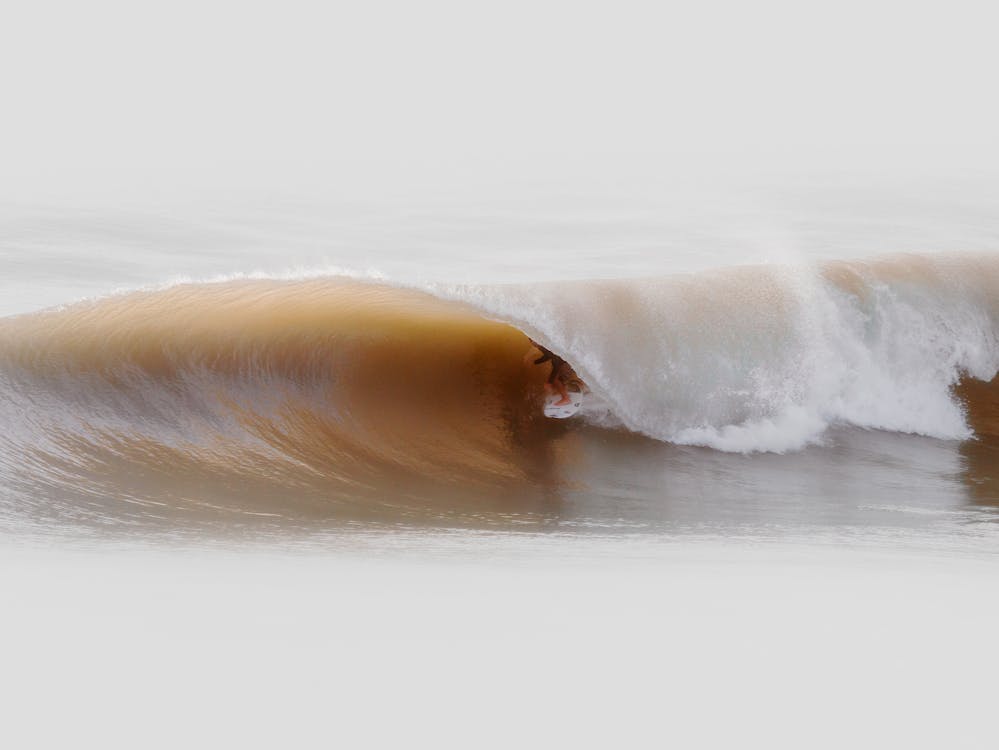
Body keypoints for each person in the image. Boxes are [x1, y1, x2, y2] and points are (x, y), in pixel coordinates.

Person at [524, 339, 578, 407]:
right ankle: (560, 393)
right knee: (555, 381)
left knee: (554, 381)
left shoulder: (543, 346)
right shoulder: (543, 346)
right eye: (530, 342)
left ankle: (566, 398)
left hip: (564, 364)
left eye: (532, 341)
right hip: (564, 363)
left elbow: (556, 361)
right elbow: (548, 356)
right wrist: (538, 361)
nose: (532, 344)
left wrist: (551, 380)